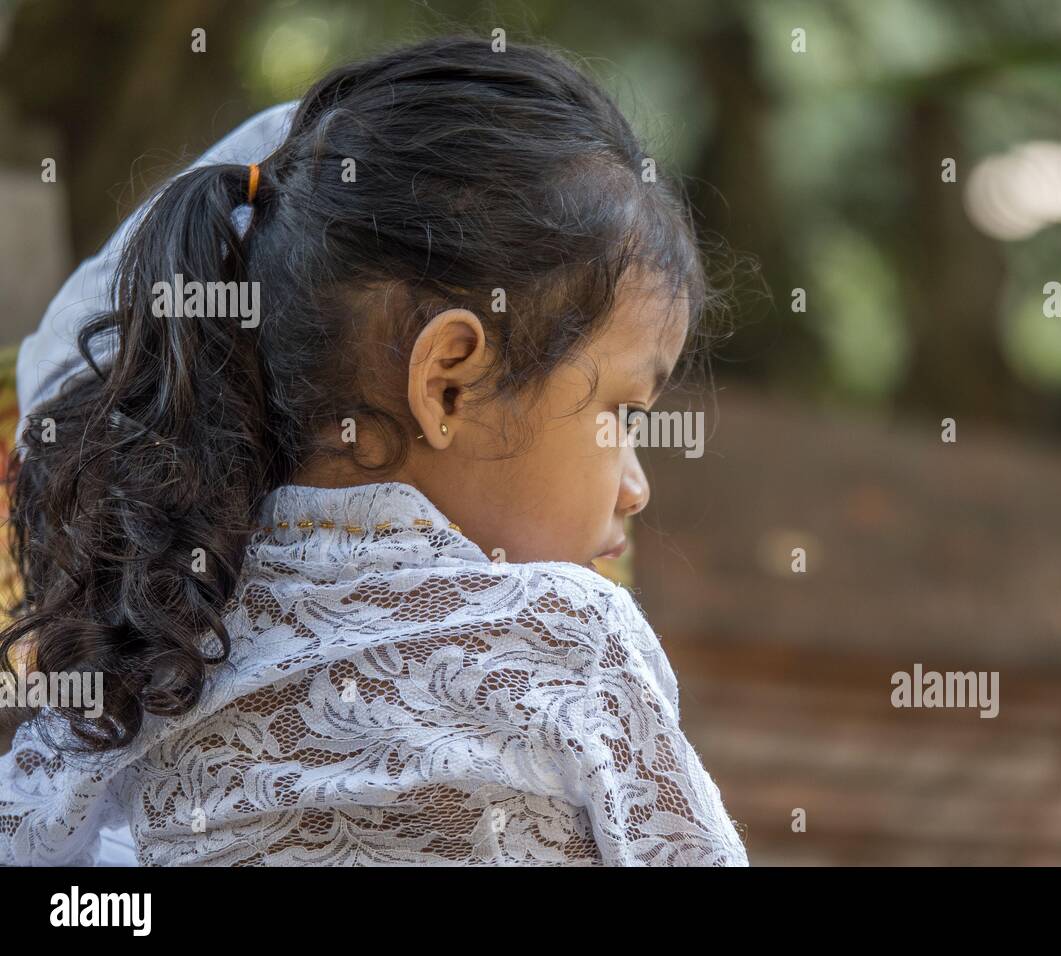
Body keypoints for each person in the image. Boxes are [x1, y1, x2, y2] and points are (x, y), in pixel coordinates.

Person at [0, 36, 747, 866]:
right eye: (623, 411)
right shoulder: (571, 637)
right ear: (449, 383)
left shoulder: (155, 654)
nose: (637, 487)